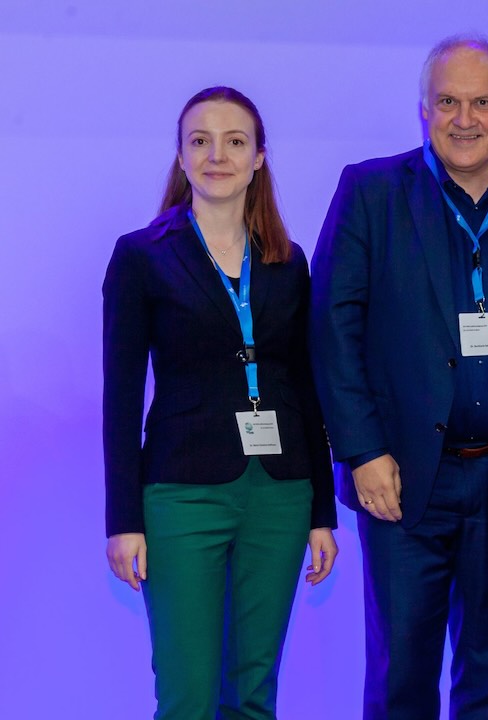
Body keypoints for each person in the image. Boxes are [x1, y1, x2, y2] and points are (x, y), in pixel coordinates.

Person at [309, 34, 488, 719]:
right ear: (423, 110)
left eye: (481, 103)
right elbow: (332, 328)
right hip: (406, 477)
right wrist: (361, 450)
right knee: (401, 675)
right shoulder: (372, 191)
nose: (464, 118)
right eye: (448, 101)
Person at [102, 86, 338, 719]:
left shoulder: (289, 262)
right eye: (200, 141)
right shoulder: (140, 256)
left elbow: (305, 387)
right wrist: (123, 520)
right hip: (181, 495)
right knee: (188, 696)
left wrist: (322, 511)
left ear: (259, 157)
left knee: (253, 694)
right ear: (180, 157)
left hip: (280, 495)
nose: (217, 155)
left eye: (235, 141)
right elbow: (120, 400)